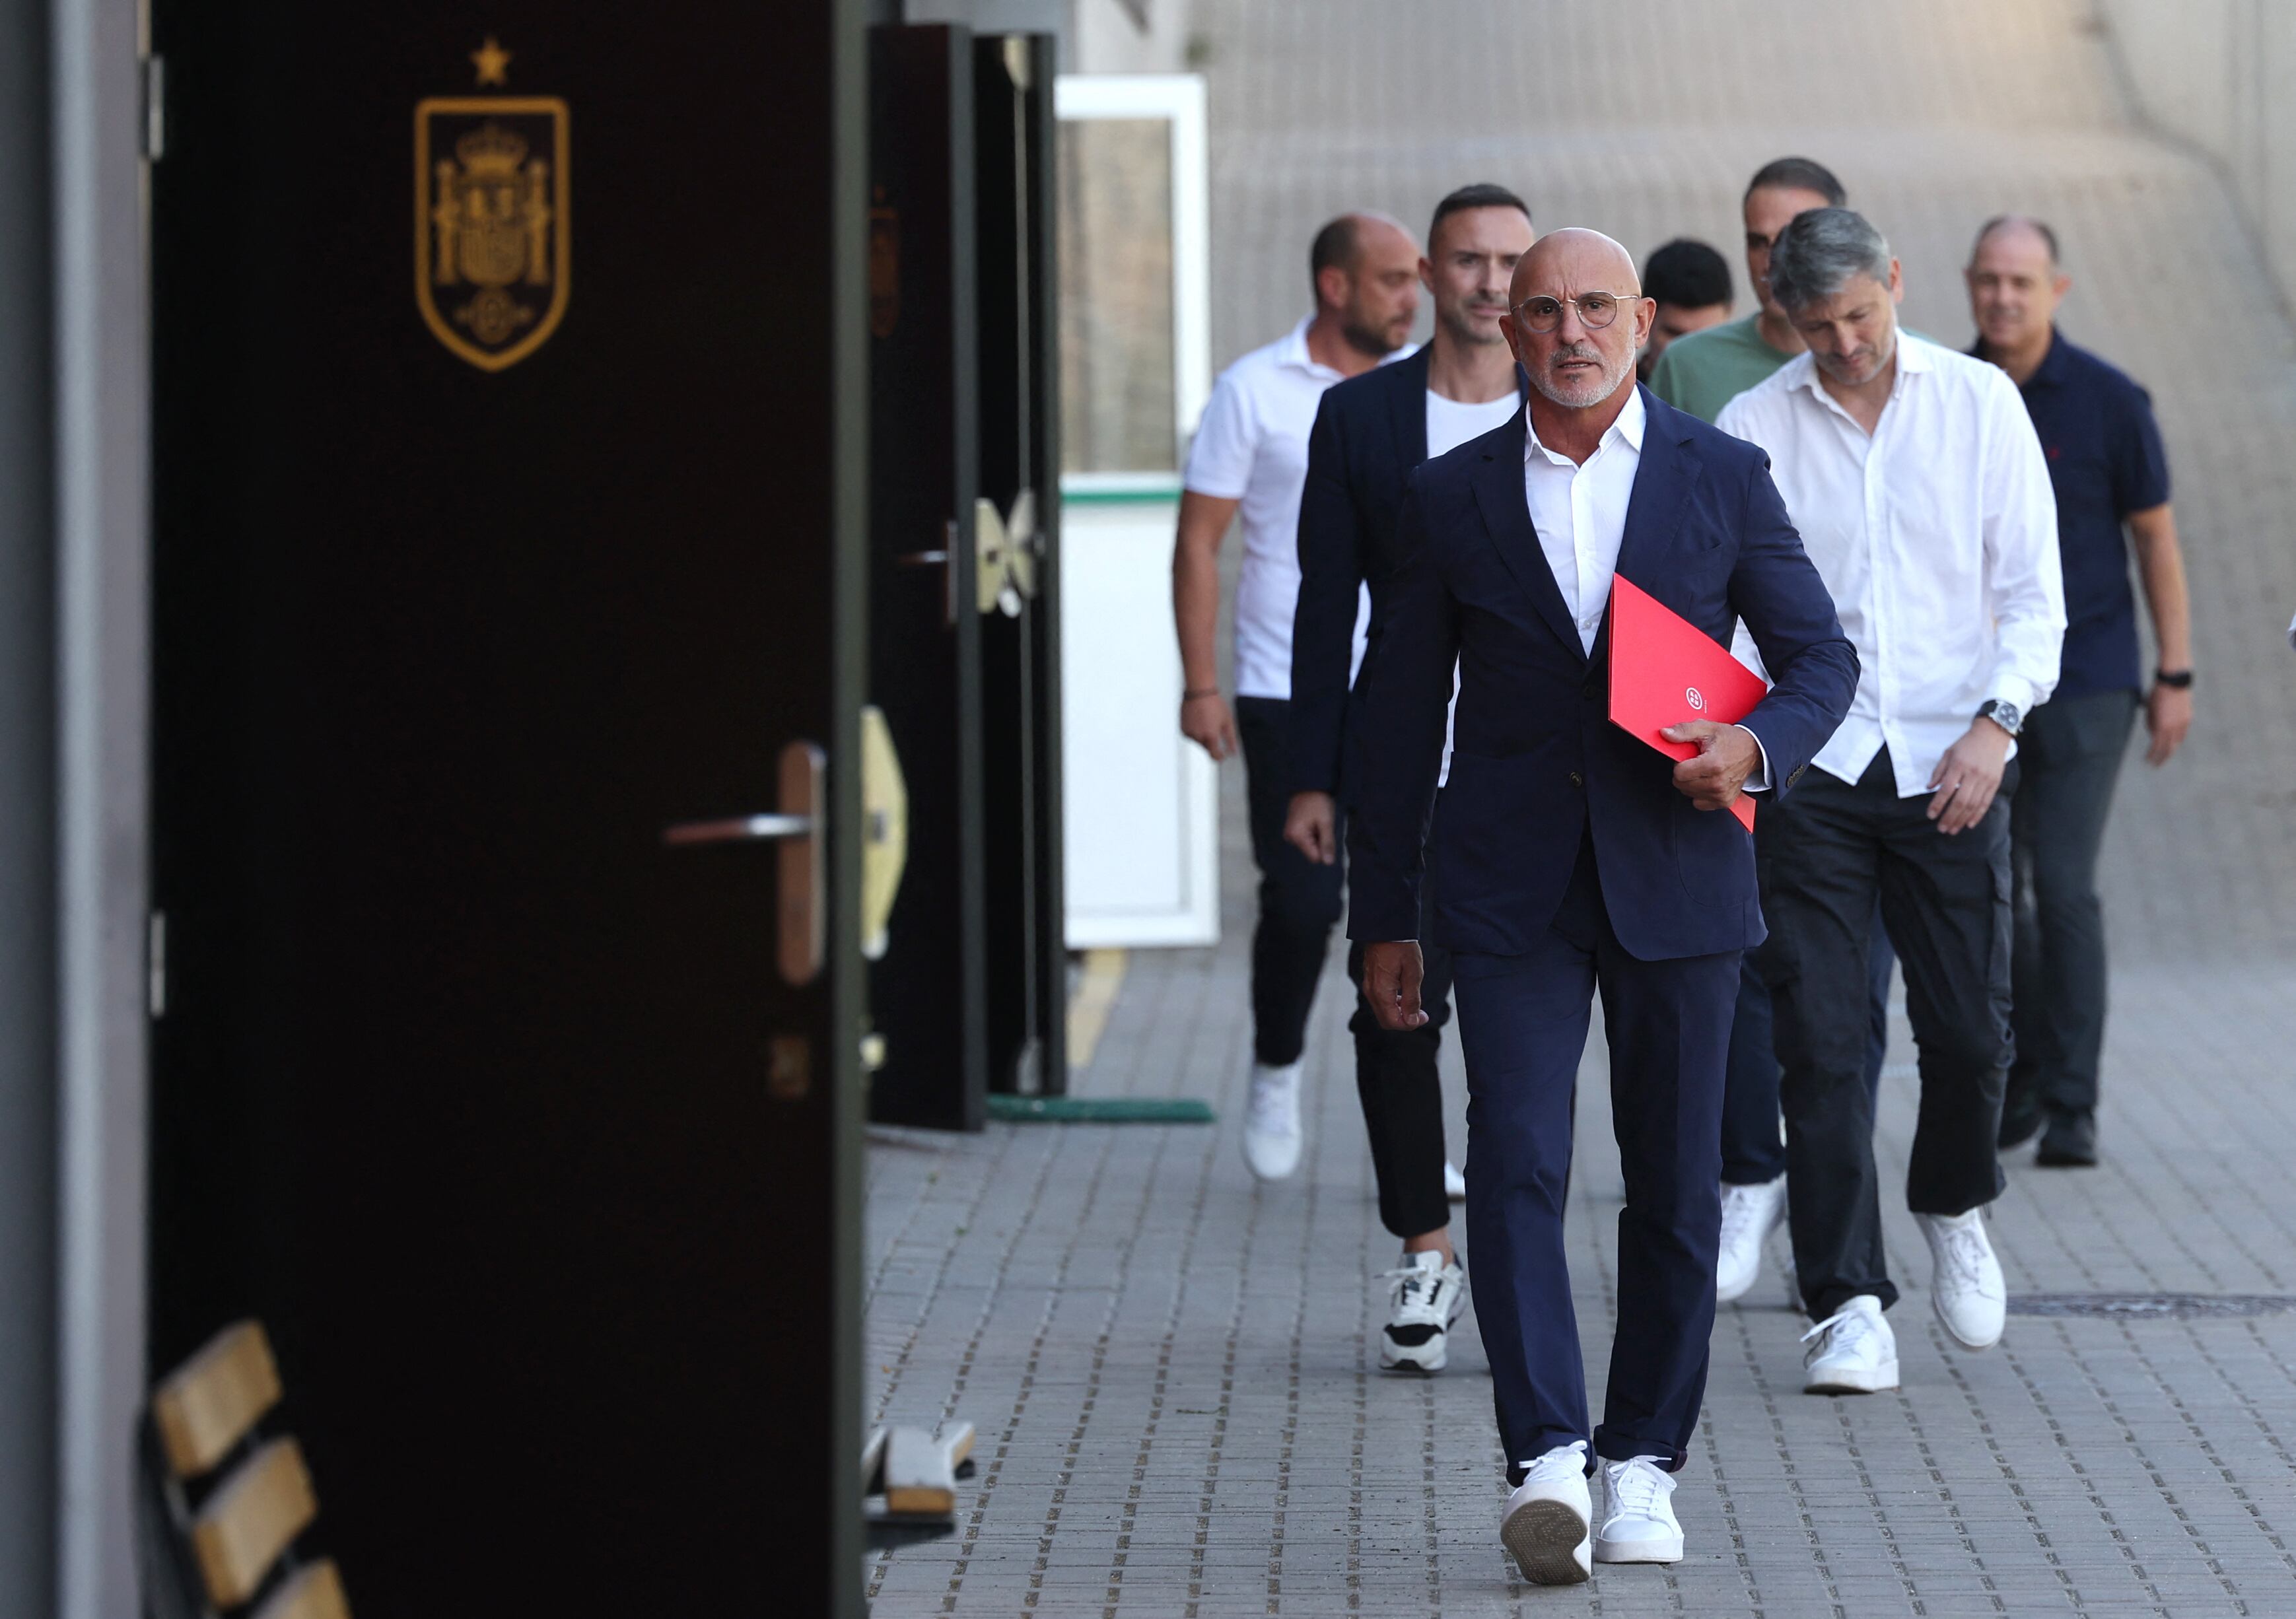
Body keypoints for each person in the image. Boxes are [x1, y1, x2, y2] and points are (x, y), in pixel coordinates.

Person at [1348, 229, 1856, 1582]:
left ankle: (1643, 1460)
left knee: (1675, 1182)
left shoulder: (1720, 476)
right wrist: (1379, 913)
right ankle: (1547, 1457)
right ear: (1505, 332)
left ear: (1637, 323)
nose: (1569, 329)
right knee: (1513, 1160)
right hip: (1504, 885)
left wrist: (1755, 751)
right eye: (1540, 310)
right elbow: (1392, 718)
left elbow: (1818, 655)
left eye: (1592, 307)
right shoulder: (1445, 496)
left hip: (1680, 875)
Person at [1718, 209, 2064, 1395]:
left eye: (1860, 316)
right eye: (1817, 327)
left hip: (1953, 766)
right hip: (1809, 770)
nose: (1844, 343)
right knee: (1819, 1044)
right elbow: (1718, 619)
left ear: (1895, 285)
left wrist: (1997, 722)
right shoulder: (1751, 427)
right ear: (1784, 318)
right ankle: (1846, 1300)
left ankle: (1954, 1200)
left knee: (1971, 1034)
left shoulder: (1978, 406)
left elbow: (2032, 596)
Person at [1288, 184, 1534, 1375]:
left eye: (1509, 262)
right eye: (1468, 262)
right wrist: (1310, 776)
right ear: (1428, 275)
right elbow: (1323, 607)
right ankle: (1424, 1248)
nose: (1491, 283)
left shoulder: (1568, 408)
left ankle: (1514, 1261)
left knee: (1516, 1025)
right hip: (1399, 764)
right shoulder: (1364, 419)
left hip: (1533, 778)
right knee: (1391, 1010)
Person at [1649, 156, 1893, 1312]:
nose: (1769, 255)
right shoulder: (1707, 376)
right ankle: (1754, 1172)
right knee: (1753, 972)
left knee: (1848, 999)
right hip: (1726, 719)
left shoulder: (1909, 380)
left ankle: (1828, 1185)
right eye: (1756, 239)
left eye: (1792, 236)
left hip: (1862, 732)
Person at [1173, 212, 1420, 1186]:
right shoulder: (1254, 392)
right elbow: (1199, 542)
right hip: (1286, 691)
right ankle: (1277, 1066)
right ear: (1334, 286)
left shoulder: (1430, 395)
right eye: (1394, 279)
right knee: (1305, 903)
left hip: (1411, 696)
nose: (1414, 297)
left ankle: (1412, 1128)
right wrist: (1202, 684)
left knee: (1411, 916)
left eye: (1416, 279)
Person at [1965, 215, 2193, 1169]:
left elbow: (2155, 539)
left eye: (2022, 281)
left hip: (2092, 677)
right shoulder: (1952, 392)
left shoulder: (2108, 400)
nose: (2003, 297)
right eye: (1988, 280)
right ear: (1969, 285)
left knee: (2060, 886)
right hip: (1980, 687)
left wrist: (2173, 674)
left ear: (2055, 288)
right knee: (1992, 895)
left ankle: (2070, 1104)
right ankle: (2013, 1076)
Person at [1637, 238, 1733, 381]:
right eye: (1675, 335)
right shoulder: (1616, 401)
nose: (1690, 353)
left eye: (1705, 337)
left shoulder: (1751, 396)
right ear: (1643, 318)